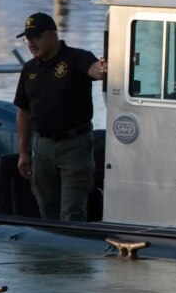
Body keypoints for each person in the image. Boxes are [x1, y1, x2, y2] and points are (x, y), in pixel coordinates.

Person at [13, 12, 107, 221]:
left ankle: (73, 253)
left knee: (72, 213)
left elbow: (94, 70)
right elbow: (23, 111)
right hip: (42, 148)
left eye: (36, 37)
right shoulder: (29, 70)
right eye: (28, 39)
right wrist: (23, 152)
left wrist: (103, 69)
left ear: (52, 36)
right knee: (47, 211)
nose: (31, 43)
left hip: (74, 148)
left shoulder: (76, 58)